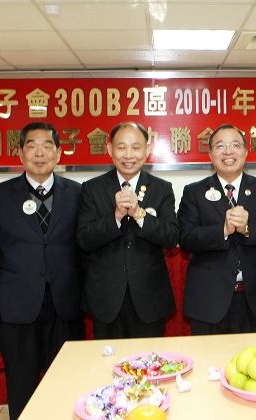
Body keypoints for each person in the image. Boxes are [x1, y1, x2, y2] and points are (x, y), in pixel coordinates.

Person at [0, 122, 84, 418]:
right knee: (21, 382)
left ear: (59, 153)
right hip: (16, 305)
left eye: (47, 146)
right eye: (32, 146)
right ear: (20, 153)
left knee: (67, 380)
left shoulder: (77, 193)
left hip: (65, 303)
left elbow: (85, 248)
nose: (39, 153)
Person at [178, 124, 256, 334]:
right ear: (210, 154)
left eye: (235, 145)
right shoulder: (194, 192)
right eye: (220, 146)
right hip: (208, 301)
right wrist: (223, 230)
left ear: (246, 152)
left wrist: (248, 228)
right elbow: (186, 237)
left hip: (254, 300)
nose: (228, 152)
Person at [77, 122, 177, 339]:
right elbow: (84, 239)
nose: (129, 155)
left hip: (149, 297)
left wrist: (140, 214)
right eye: (121, 147)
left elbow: (171, 237)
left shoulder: (162, 188)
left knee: (149, 359)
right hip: (106, 298)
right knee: (108, 359)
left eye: (136, 147)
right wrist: (116, 216)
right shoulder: (92, 188)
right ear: (110, 149)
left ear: (147, 150)